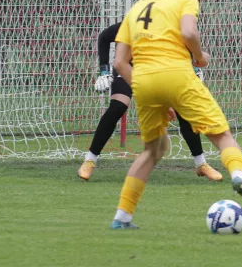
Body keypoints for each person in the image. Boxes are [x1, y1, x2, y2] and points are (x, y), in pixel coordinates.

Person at [109, 0, 242, 229]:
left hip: (144, 80)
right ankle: (240, 178)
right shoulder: (183, 0)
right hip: (177, 74)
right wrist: (200, 57)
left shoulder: (136, 7)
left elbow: (119, 63)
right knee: (221, 135)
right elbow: (188, 32)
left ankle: (122, 217)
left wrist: (145, 90)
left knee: (154, 149)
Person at [78, 18, 221, 182]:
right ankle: (89, 160)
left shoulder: (173, 26)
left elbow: (187, 46)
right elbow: (104, 37)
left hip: (158, 71)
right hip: (129, 68)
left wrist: (193, 68)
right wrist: (104, 70)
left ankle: (201, 164)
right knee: (117, 106)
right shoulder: (135, 22)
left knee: (183, 110)